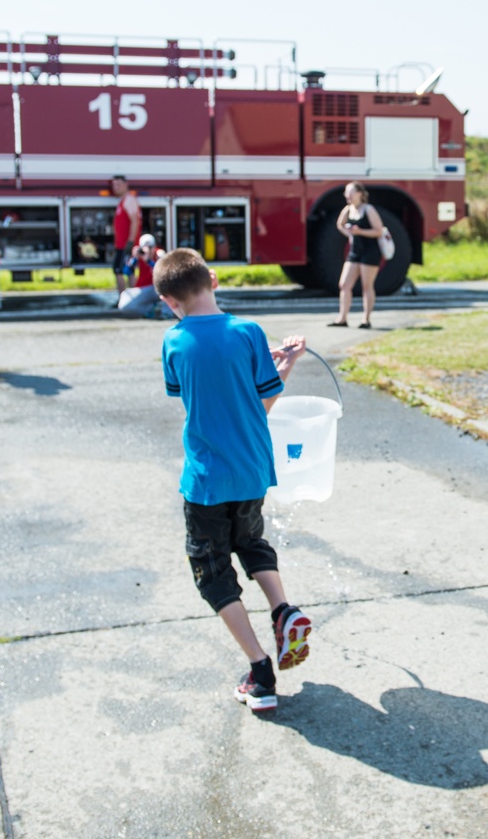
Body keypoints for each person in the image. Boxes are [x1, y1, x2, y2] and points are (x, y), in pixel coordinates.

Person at [153, 247, 311, 713]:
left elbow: (190, 398)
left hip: (206, 481)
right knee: (251, 542)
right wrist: (286, 363)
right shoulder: (250, 333)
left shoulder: (174, 341)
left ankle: (260, 671)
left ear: (168, 301)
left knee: (213, 572)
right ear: (214, 280)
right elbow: (259, 403)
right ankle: (283, 610)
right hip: (252, 472)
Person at [328, 181, 385, 329]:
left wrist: (360, 232)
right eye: (346, 193)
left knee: (367, 286)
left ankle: (366, 319)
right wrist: (350, 234)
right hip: (355, 251)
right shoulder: (348, 209)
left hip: (370, 252)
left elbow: (379, 231)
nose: (347, 196)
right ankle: (342, 318)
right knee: (344, 285)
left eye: (351, 192)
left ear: (360, 193)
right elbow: (340, 224)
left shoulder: (368, 209)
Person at [117, 233, 165, 317]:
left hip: (158, 288)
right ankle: (152, 309)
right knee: (124, 306)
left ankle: (164, 311)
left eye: (151, 247)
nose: (149, 250)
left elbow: (162, 271)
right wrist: (134, 257)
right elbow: (126, 271)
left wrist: (149, 261)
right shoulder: (139, 255)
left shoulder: (159, 253)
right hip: (144, 288)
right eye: (145, 247)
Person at [110, 175, 141, 297]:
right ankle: (128, 298)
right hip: (121, 243)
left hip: (126, 244)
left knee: (121, 270)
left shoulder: (129, 200)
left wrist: (131, 241)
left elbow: (135, 220)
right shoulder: (123, 201)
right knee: (127, 270)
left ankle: (126, 298)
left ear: (125, 184)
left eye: (118, 184)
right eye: (114, 185)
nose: (115, 188)